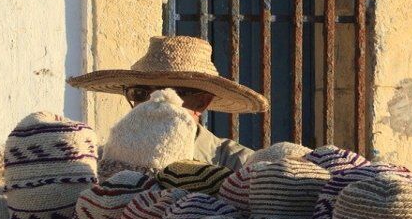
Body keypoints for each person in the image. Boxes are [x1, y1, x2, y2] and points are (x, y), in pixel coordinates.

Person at [67, 35, 268, 170]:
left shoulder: (240, 166)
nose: (154, 101)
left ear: (201, 103)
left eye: (170, 93)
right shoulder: (99, 162)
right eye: (140, 93)